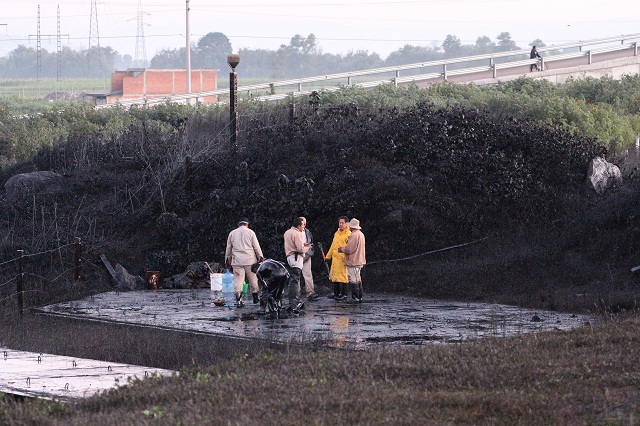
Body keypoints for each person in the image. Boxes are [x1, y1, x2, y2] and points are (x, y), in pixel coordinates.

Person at [224, 218, 264, 308]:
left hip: (237, 261)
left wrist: (227, 260)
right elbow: (256, 247)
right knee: (253, 279)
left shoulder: (232, 233)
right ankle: (255, 297)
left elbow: (228, 248)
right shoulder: (250, 232)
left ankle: (239, 300)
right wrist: (260, 257)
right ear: (247, 224)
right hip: (250, 260)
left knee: (238, 280)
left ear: (239, 224)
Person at [283, 217, 312, 312]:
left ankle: (292, 300)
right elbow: (300, 249)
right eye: (302, 226)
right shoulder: (297, 233)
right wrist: (308, 247)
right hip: (296, 258)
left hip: (289, 257)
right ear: (298, 225)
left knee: (292, 279)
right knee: (295, 280)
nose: (303, 228)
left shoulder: (287, 232)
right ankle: (293, 301)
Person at [338, 218, 366, 303]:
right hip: (360, 260)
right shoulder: (361, 234)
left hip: (353, 260)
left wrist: (341, 249)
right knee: (358, 278)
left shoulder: (354, 235)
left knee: (353, 279)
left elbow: (349, 249)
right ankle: (359, 296)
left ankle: (355, 297)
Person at [325, 216, 351, 300]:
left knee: (343, 277)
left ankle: (344, 294)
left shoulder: (349, 234)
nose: (341, 224)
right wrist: (328, 256)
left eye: (342, 223)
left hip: (343, 258)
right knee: (335, 277)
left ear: (346, 224)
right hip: (335, 259)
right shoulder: (336, 233)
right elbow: (333, 246)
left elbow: (349, 247)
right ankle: (336, 294)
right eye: (340, 223)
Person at [300, 216, 319, 301]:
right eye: (302, 223)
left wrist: (309, 253)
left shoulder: (307, 232)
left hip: (306, 255)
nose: (303, 224)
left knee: (308, 275)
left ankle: (310, 293)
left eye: (304, 223)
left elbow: (311, 243)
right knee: (296, 276)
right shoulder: (293, 232)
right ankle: (296, 294)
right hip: (297, 256)